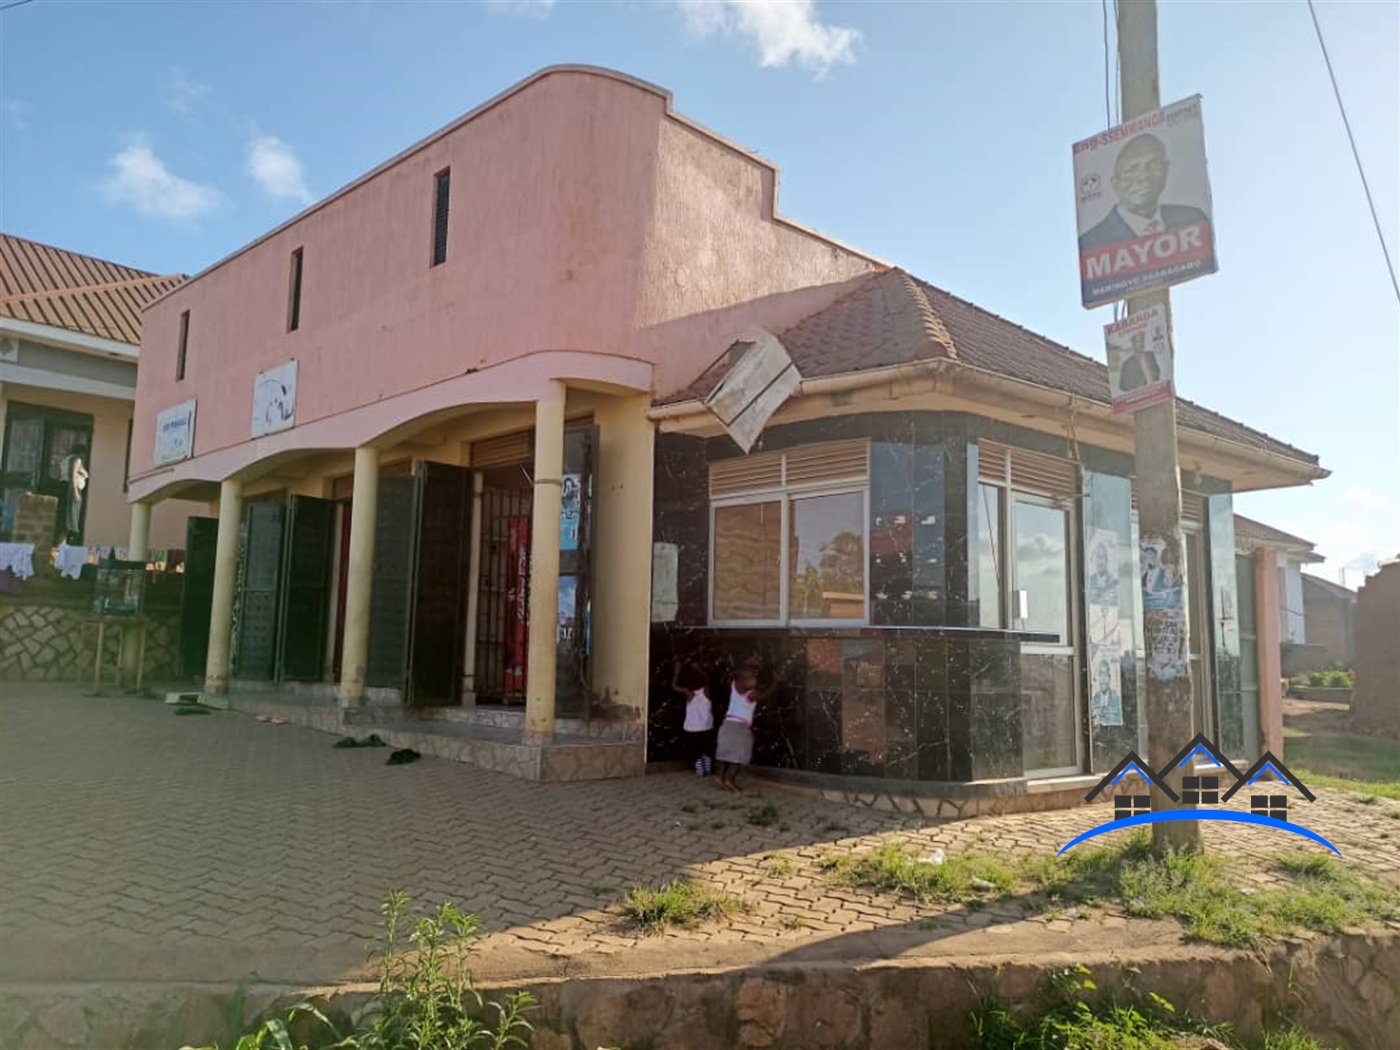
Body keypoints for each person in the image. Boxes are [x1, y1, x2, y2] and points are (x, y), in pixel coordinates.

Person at [1079, 133, 1209, 251]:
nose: (1143, 176)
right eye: (1131, 169)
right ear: (1116, 183)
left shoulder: (1193, 218)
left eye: (1153, 165)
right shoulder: (1091, 243)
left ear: (1166, 169)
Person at [715, 661, 777, 792]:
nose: (754, 681)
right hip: (740, 728)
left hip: (727, 725)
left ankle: (719, 777)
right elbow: (765, 695)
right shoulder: (751, 694)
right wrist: (775, 683)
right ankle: (729, 779)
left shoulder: (733, 686)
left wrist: (748, 661)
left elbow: (734, 674)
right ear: (741, 681)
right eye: (750, 679)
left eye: (754, 677)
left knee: (724, 755)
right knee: (737, 757)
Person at [672, 658, 714, 778]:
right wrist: (699, 669)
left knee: (696, 750)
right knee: (706, 748)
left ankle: (700, 769)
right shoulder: (706, 693)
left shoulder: (689, 693)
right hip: (706, 727)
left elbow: (674, 686)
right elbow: (707, 680)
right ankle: (707, 765)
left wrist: (676, 672)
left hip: (692, 728)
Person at [61, 445, 89, 544]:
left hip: (65, 488)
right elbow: (71, 476)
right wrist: (75, 492)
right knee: (71, 517)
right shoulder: (76, 460)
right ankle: (68, 540)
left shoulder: (66, 460)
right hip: (72, 489)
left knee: (68, 516)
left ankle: (66, 540)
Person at [1090, 660, 1123, 726]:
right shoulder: (1093, 700)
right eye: (1101, 674)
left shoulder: (1117, 700)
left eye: (1106, 674)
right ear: (1098, 677)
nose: (1103, 679)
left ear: (1109, 677)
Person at [1088, 540, 1118, 605]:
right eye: (1098, 557)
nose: (1100, 561)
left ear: (1107, 559)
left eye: (1103, 556)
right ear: (1095, 559)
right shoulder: (1089, 581)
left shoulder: (1114, 582)